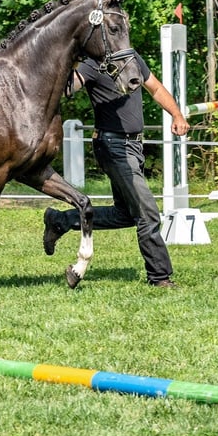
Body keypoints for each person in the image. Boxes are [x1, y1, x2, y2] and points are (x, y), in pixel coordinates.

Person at [43, 51, 189, 288]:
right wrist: (70, 59)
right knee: (147, 212)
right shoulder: (92, 64)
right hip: (113, 145)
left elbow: (156, 89)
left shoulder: (132, 58)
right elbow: (67, 89)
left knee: (125, 214)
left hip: (134, 145)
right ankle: (160, 277)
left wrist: (176, 114)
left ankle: (62, 220)